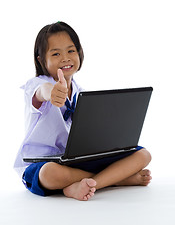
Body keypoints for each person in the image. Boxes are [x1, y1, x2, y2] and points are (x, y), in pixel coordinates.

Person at [14, 21, 152, 201]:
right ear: (41, 60)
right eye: (56, 53)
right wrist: (52, 92)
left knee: (143, 155)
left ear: (79, 53)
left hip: (73, 160)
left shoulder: (82, 93)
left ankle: (85, 183)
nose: (65, 58)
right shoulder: (38, 84)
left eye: (71, 51)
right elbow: (42, 92)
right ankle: (116, 179)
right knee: (51, 173)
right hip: (43, 162)